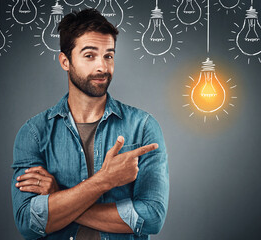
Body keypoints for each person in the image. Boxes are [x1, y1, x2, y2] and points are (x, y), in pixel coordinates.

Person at [11, 8, 169, 240]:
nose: (102, 67)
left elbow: (152, 218)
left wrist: (60, 198)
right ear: (65, 61)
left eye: (108, 55)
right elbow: (28, 222)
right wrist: (104, 181)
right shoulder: (34, 133)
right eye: (89, 55)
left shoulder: (143, 127)